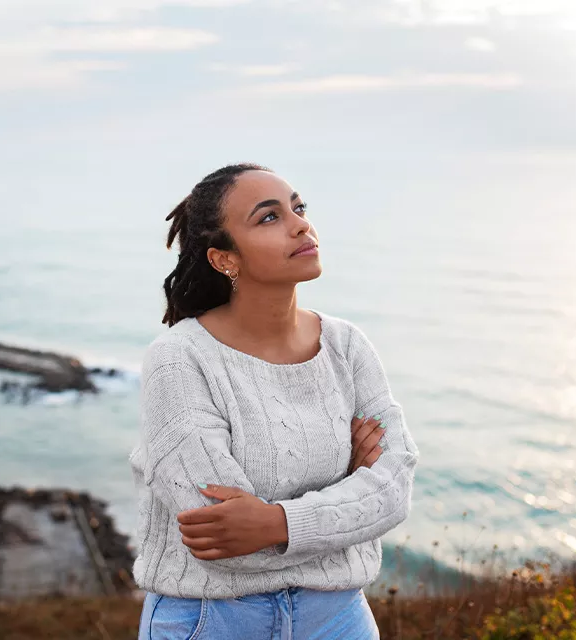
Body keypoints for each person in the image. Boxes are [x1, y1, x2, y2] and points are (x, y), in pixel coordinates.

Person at [129, 164, 419, 639]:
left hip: (338, 618)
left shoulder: (347, 346)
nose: (301, 225)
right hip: (212, 620)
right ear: (225, 258)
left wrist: (276, 522)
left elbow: (395, 489)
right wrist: (349, 491)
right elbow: (219, 538)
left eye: (298, 208)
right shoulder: (179, 359)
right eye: (269, 217)